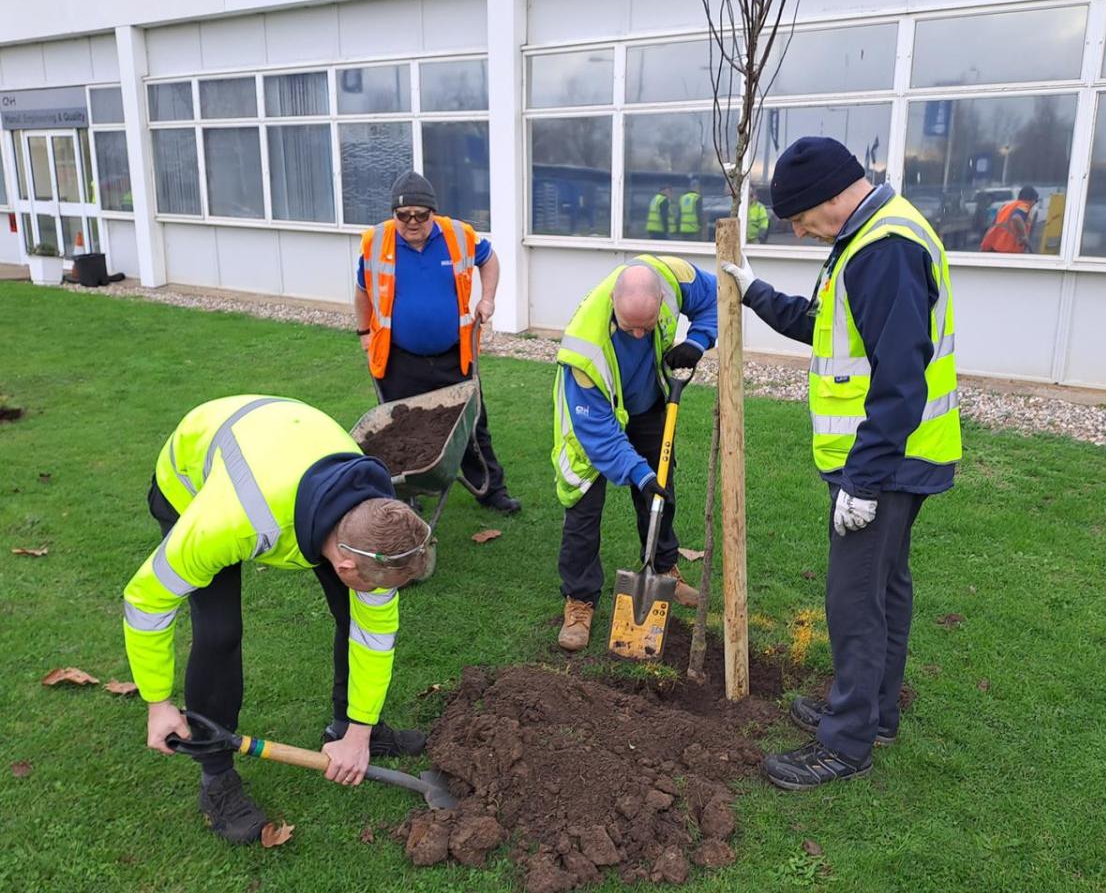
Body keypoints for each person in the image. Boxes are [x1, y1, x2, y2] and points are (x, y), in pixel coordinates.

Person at [722, 136, 961, 790]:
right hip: (896, 456)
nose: (800, 232)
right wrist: (755, 292)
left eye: (800, 219)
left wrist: (864, 477)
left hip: (884, 461)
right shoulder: (864, 236)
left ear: (832, 197)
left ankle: (847, 742)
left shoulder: (884, 248)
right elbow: (823, 323)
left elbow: (901, 377)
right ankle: (875, 712)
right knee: (885, 588)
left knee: (855, 600)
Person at [124, 395, 432, 844]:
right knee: (219, 632)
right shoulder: (230, 522)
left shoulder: (374, 517)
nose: (384, 597)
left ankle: (346, 728)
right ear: (344, 566)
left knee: (355, 614)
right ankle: (216, 778)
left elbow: (374, 635)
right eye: (379, 586)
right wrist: (158, 702)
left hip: (288, 443)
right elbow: (146, 599)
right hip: (194, 476)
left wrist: (359, 730)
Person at [553, 255, 718, 650]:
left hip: (648, 404)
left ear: (662, 298)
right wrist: (639, 474)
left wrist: (696, 341)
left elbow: (718, 297)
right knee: (583, 506)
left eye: (649, 326)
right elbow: (601, 435)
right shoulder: (582, 347)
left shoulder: (673, 278)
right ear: (613, 301)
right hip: (594, 420)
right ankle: (580, 599)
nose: (642, 336)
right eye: (631, 327)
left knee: (662, 492)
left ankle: (665, 569)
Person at [355, 171, 521, 515]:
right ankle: (408, 496)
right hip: (400, 359)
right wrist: (364, 332)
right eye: (403, 216)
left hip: (453, 355)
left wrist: (487, 299)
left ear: (434, 213)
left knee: (473, 426)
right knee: (401, 429)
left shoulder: (459, 235)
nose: (412, 222)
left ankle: (491, 491)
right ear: (393, 215)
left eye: (420, 215)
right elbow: (362, 289)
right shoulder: (375, 242)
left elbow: (489, 260)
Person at [980, 186, 1039, 253]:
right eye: (1036, 201)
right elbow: (1016, 218)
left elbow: (993, 225)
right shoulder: (1024, 206)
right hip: (1007, 249)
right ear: (1031, 199)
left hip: (993, 246)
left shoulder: (1006, 206)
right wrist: (1024, 236)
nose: (1034, 203)